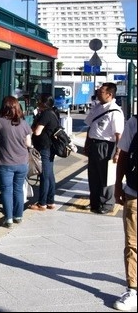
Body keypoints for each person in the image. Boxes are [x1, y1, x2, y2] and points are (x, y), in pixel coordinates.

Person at [84, 82, 124, 214]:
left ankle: (107, 204)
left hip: (106, 146)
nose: (97, 94)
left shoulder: (115, 111)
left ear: (109, 94)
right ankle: (94, 202)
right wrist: (86, 143)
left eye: (101, 92)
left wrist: (118, 152)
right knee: (93, 175)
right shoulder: (97, 107)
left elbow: (119, 134)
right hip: (94, 144)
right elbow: (91, 126)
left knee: (106, 176)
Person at [0, 95, 32, 228]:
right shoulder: (24, 123)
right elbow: (28, 143)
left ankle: (8, 218)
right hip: (22, 163)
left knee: (6, 190)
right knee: (18, 189)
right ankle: (18, 216)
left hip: (5, 163)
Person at [112, 114, 137, 311]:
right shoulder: (135, 122)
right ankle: (133, 289)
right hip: (135, 192)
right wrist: (119, 185)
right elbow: (124, 154)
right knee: (133, 243)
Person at [29, 94, 60, 211]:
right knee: (50, 175)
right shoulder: (53, 112)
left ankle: (42, 203)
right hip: (50, 147)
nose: (37, 102)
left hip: (45, 148)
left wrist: (32, 127)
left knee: (44, 176)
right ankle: (51, 201)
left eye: (39, 101)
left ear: (43, 103)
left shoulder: (46, 114)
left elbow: (37, 132)